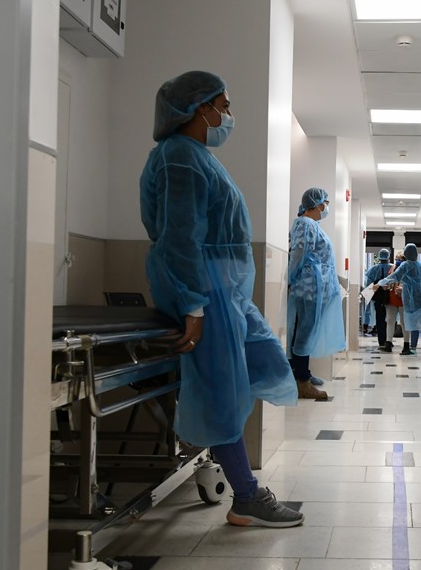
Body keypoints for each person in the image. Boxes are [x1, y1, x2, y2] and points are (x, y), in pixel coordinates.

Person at [139, 70, 303, 528]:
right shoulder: (179, 158)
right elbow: (179, 237)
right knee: (222, 392)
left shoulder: (196, 156)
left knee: (261, 361)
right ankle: (246, 496)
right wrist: (193, 304)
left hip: (222, 292)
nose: (228, 115)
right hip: (203, 292)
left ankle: (228, 465)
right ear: (199, 108)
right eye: (223, 106)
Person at [287, 187, 345, 400]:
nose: (326, 207)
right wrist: (291, 278)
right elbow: (299, 252)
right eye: (325, 202)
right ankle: (302, 382)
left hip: (315, 288)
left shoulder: (313, 225)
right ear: (316, 203)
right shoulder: (305, 223)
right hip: (309, 287)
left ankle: (303, 375)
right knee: (304, 332)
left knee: (306, 331)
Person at [375, 243, 421, 357]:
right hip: (420, 297)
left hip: (409, 298)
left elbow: (394, 277)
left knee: (411, 322)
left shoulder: (405, 265)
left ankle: (412, 348)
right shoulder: (420, 266)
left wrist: (380, 283)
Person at [365, 248, 394, 352]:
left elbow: (368, 285)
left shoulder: (372, 269)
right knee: (390, 319)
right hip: (391, 297)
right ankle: (389, 340)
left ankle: (382, 341)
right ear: (388, 257)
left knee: (380, 319)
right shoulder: (392, 268)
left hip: (378, 297)